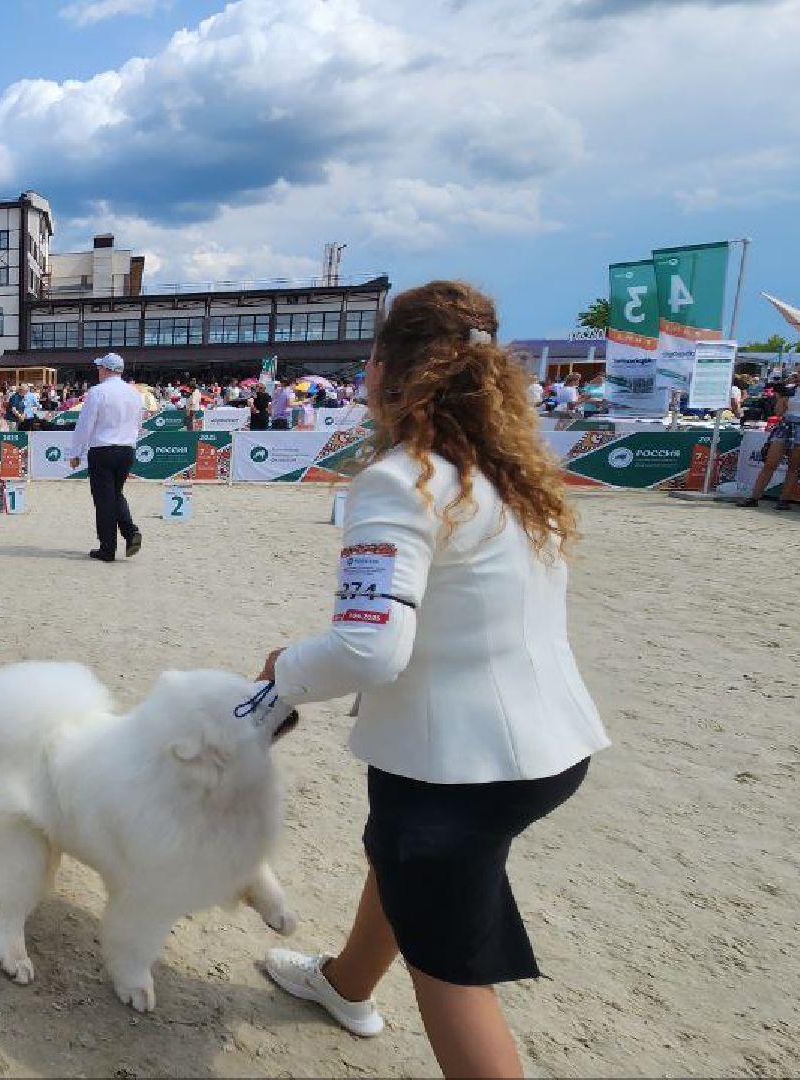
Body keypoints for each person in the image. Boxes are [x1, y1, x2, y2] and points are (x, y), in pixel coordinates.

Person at [256, 281, 607, 1079]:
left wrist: (284, 671)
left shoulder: (399, 480)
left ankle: (355, 986)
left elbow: (368, 648)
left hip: (457, 762)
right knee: (399, 858)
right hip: (540, 742)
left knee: (450, 971)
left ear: (387, 366)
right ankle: (345, 985)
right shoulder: (508, 476)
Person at [66, 353, 143, 563]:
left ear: (106, 369)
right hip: (127, 449)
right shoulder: (134, 393)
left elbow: (85, 425)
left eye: (100, 368)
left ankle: (108, 547)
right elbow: (139, 424)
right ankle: (130, 532)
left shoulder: (97, 392)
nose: (98, 371)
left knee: (104, 499)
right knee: (115, 494)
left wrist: (75, 453)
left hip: (103, 449)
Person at [741, 360, 800, 510]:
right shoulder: (790, 388)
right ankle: (754, 497)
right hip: (786, 423)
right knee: (770, 463)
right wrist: (781, 397)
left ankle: (784, 500)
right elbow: (778, 412)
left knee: (793, 466)